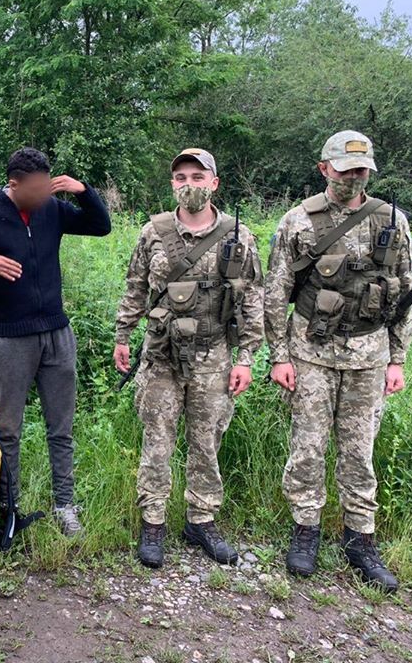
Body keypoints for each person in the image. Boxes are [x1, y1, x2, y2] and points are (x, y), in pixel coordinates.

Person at [265, 131, 412, 591]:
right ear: (324, 169)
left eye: (362, 169)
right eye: (346, 168)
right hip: (310, 350)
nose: (355, 176)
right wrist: (279, 356)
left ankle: (360, 541)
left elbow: (407, 292)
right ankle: (305, 531)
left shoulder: (393, 221)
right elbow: (276, 292)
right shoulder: (298, 221)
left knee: (359, 453)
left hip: (370, 355)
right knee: (308, 447)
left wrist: (397, 359)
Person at [0, 146, 111, 537]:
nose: (45, 194)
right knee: (9, 431)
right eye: (37, 189)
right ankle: (8, 509)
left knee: (61, 427)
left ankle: (65, 506)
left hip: (57, 333)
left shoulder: (50, 208)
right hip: (11, 338)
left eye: (49, 187)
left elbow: (101, 226)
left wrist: (83, 191)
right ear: (14, 185)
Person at [114, 148, 264, 568]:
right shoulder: (153, 232)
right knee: (156, 441)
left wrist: (246, 357)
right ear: (172, 184)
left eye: (198, 177)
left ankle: (201, 520)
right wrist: (123, 335)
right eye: (181, 177)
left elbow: (252, 299)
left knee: (206, 442)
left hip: (214, 355)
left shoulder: (238, 236)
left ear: (214, 183)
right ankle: (153, 522)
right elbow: (135, 288)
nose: (189, 184)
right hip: (160, 355)